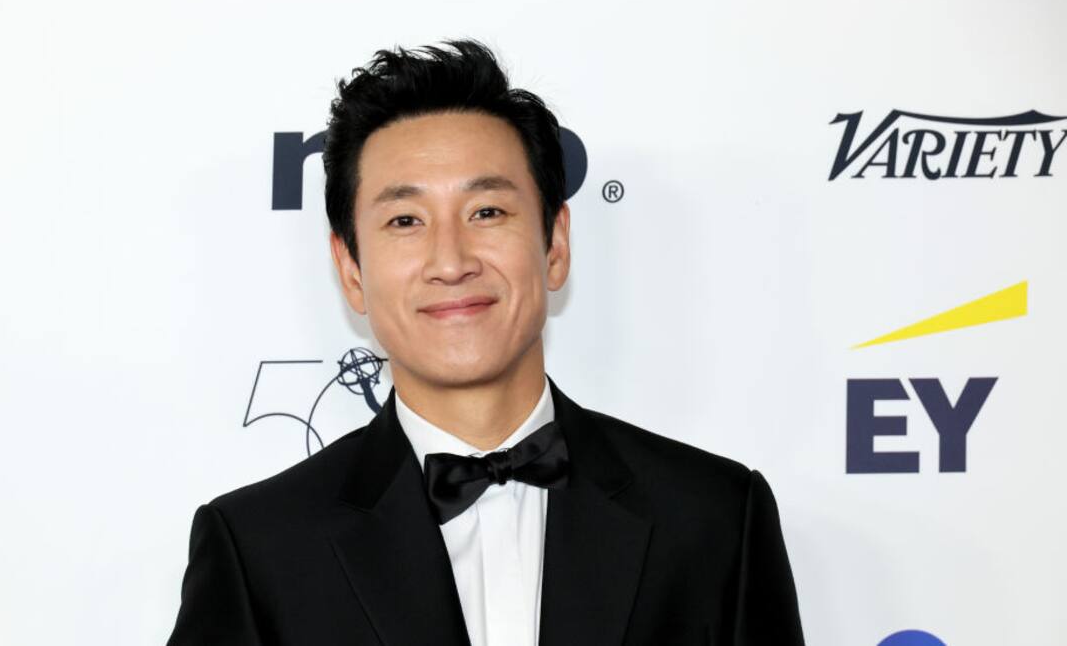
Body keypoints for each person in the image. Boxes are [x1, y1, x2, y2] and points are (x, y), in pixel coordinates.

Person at [166, 39, 805, 646]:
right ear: (351, 270)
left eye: (487, 212)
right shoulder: (259, 550)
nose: (451, 262)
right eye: (405, 220)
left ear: (555, 245)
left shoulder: (714, 519)